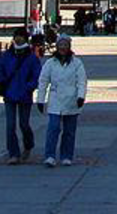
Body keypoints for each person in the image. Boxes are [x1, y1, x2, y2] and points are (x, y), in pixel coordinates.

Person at [36, 35, 87, 167]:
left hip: (72, 100)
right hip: (55, 100)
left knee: (69, 131)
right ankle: (50, 155)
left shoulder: (77, 63)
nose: (63, 48)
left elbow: (82, 81)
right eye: (60, 45)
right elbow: (43, 81)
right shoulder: (50, 63)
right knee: (53, 128)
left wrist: (81, 96)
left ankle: (66, 156)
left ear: (69, 47)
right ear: (57, 46)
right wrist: (40, 100)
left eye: (65, 45)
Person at [0, 27, 43, 164]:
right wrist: (1, 81)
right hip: (9, 94)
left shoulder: (32, 57)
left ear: (26, 38)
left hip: (24, 95)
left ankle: (28, 144)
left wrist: (29, 88)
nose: (18, 38)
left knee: (23, 124)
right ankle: (13, 153)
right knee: (10, 125)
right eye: (16, 36)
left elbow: (36, 75)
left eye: (21, 36)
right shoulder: (7, 55)